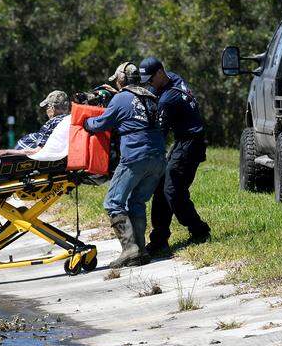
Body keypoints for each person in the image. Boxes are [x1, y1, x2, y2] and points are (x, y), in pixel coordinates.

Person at [83, 62, 165, 269]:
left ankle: (129, 250)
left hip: (135, 157)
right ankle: (141, 250)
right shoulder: (152, 97)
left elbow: (100, 124)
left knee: (113, 202)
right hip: (158, 158)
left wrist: (85, 123)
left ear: (121, 80)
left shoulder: (120, 98)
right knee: (137, 201)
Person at [141, 57, 210, 253]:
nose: (149, 84)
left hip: (190, 144)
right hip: (184, 141)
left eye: (150, 80)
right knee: (162, 188)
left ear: (160, 73)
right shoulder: (172, 77)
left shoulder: (167, 99)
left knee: (173, 191)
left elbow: (160, 135)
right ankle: (159, 239)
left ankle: (199, 230)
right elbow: (152, 92)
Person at [0, 90, 71, 161]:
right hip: (62, 159)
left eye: (46, 107)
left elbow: (37, 152)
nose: (46, 111)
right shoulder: (71, 121)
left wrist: (5, 152)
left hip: (35, 162)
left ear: (52, 108)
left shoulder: (53, 123)